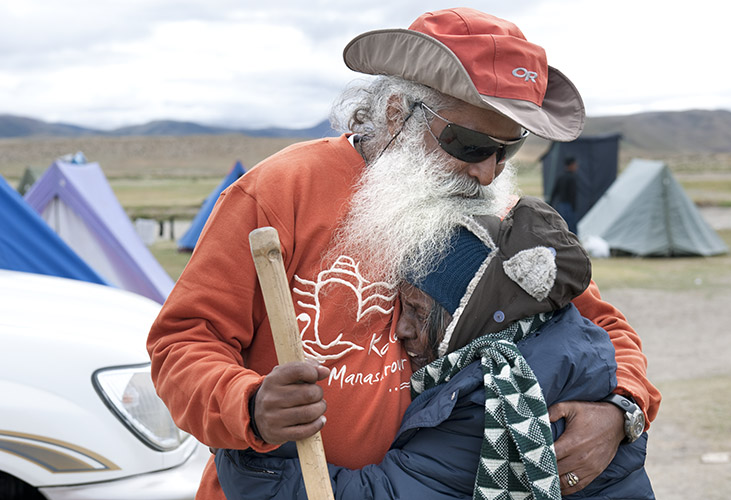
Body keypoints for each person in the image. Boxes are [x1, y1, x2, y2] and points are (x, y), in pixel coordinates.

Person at [146, 8, 661, 499]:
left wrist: (623, 411)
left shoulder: (504, 221)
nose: (488, 173)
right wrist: (251, 405)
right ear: (397, 114)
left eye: (509, 149)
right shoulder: (281, 192)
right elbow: (183, 343)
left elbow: (605, 329)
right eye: (469, 144)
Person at [214, 196, 655, 499]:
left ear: (473, 320)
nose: (400, 330)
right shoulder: (552, 338)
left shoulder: (503, 396)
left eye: (419, 312)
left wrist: (249, 447)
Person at [549, 157, 579, 232]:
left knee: (562, 226)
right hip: (568, 206)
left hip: (561, 205)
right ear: (571, 165)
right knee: (571, 228)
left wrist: (550, 204)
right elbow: (573, 194)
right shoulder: (572, 178)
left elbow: (554, 192)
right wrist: (574, 207)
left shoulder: (561, 177)